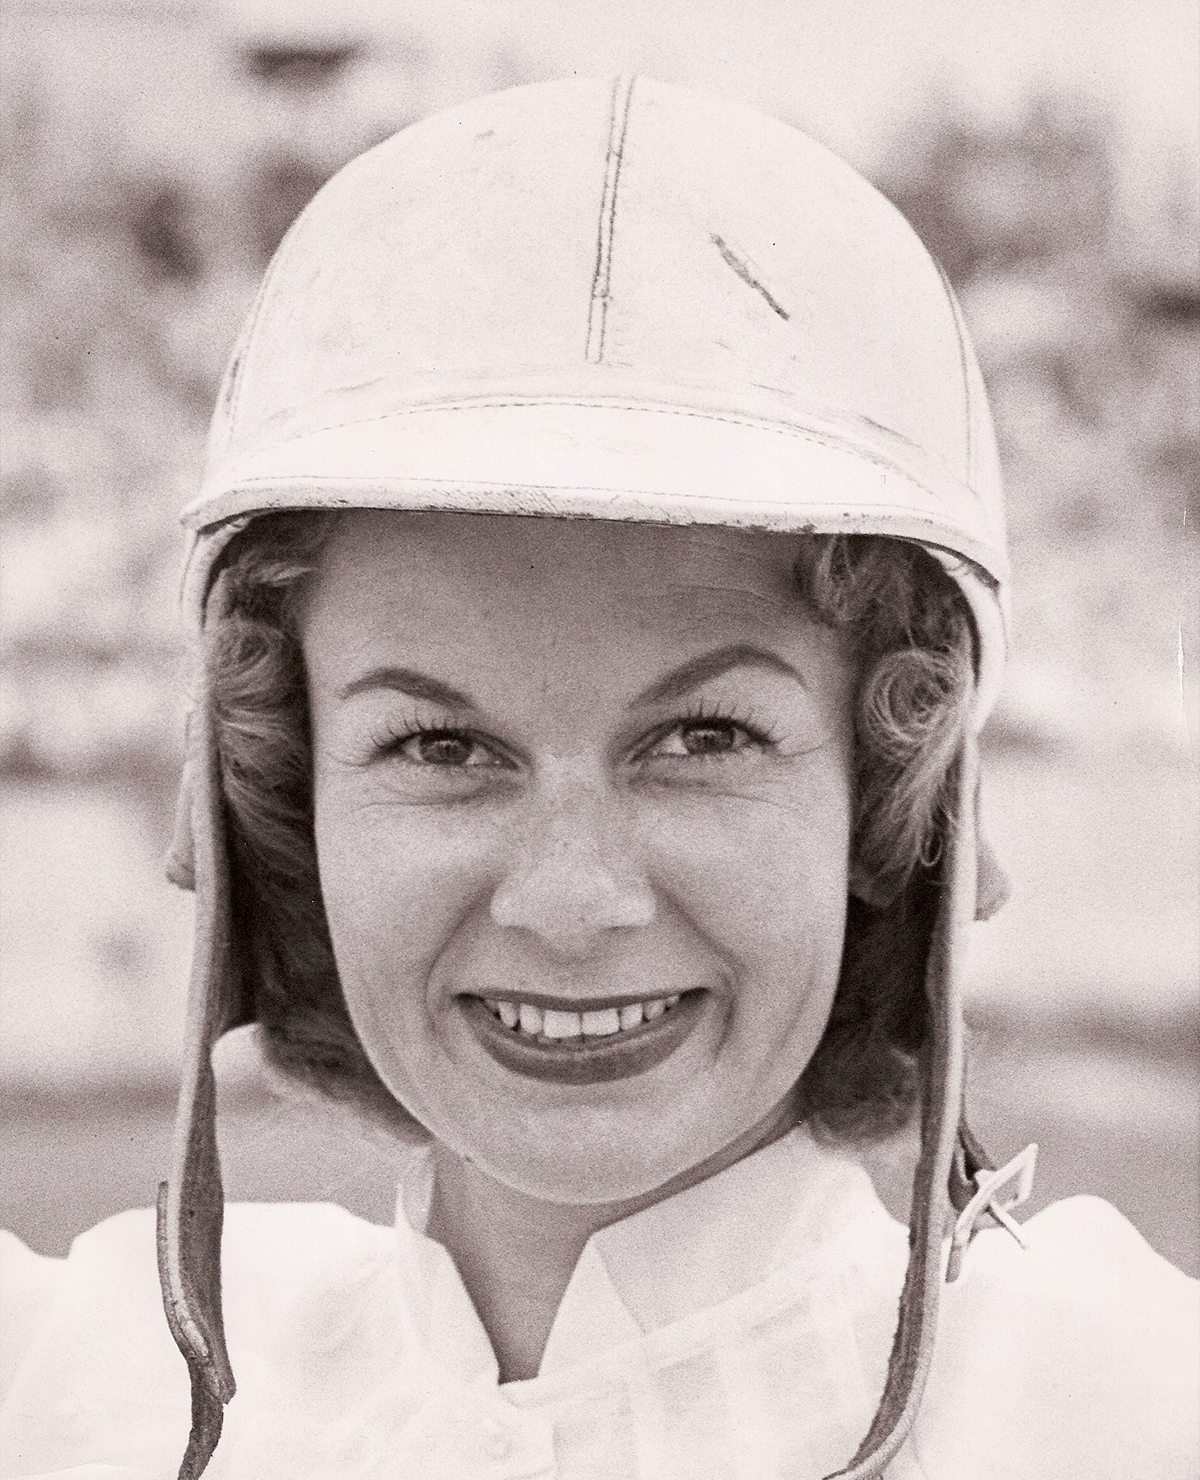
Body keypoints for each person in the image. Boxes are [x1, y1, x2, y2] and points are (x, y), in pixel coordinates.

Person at [0, 76, 1195, 1480]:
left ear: (895, 811)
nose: (573, 902)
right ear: (278, 824)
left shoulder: (1127, 1410)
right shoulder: (76, 1394)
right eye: (441, 747)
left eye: (704, 739)